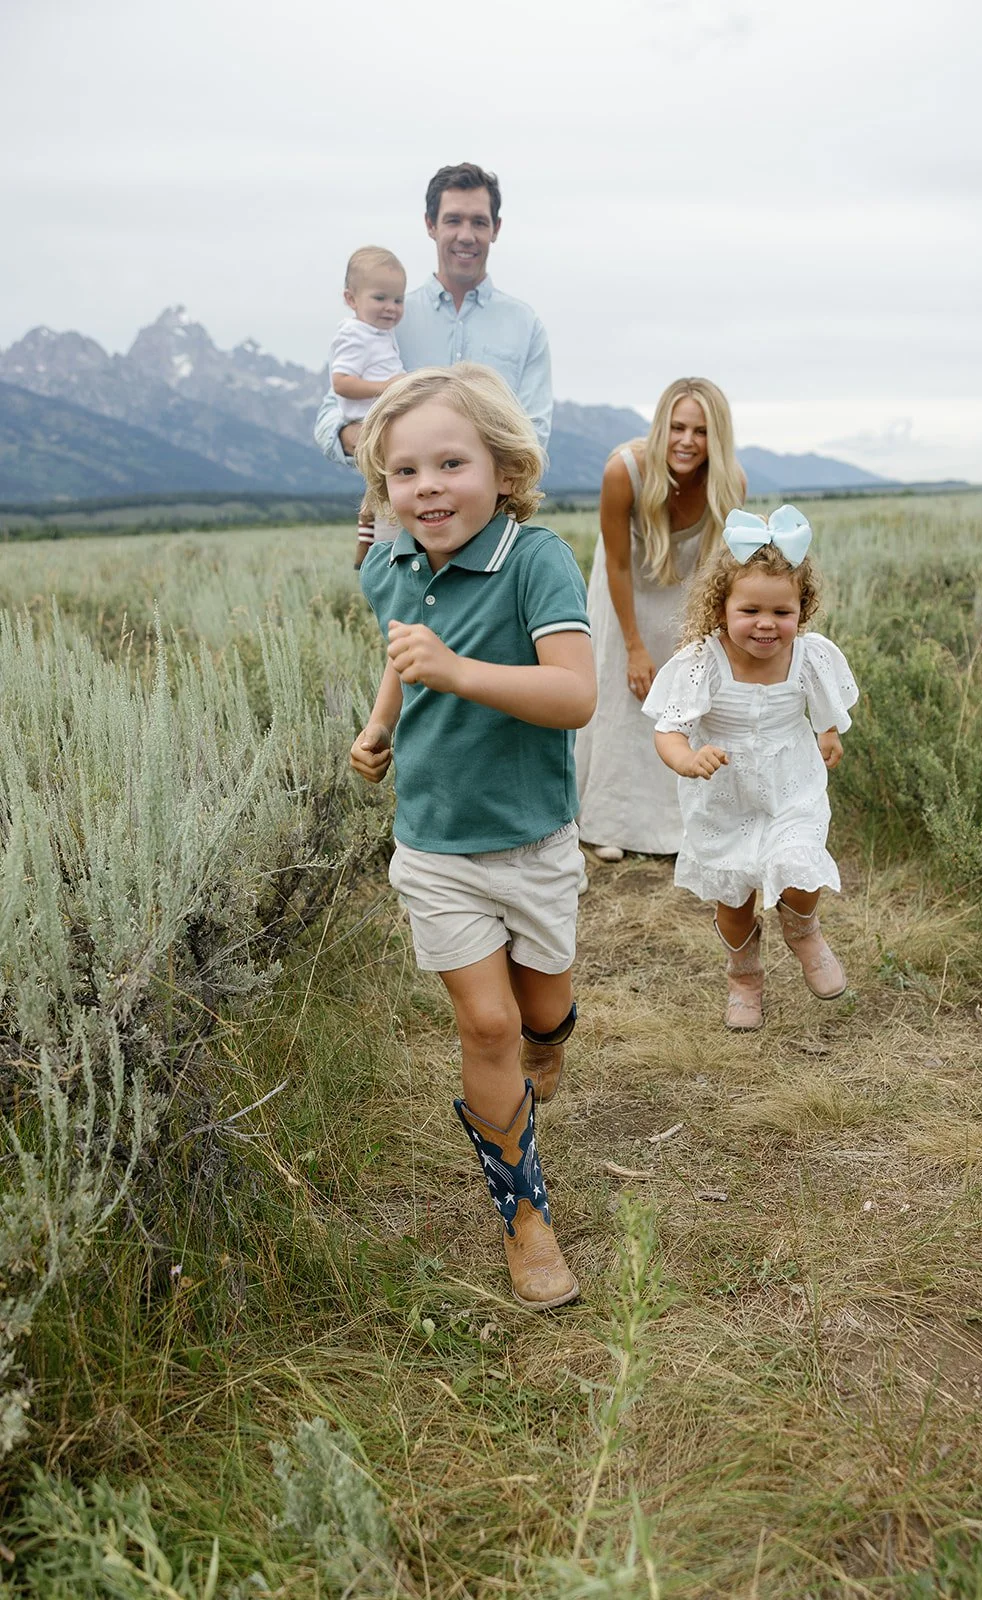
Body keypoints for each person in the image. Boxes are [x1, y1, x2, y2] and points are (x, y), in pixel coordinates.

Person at [348, 362, 595, 1310]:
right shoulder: (389, 561)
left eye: (450, 462)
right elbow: (405, 656)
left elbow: (572, 696)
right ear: (385, 487)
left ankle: (553, 1037)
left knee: (541, 1013)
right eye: (404, 472)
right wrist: (380, 725)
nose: (427, 487)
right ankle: (524, 1217)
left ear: (502, 465)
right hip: (436, 844)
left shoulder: (536, 560)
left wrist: (456, 671)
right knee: (484, 1024)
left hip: (532, 843)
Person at [644, 507, 859, 1031]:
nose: (766, 624)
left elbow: (825, 704)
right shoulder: (702, 660)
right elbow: (667, 730)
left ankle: (803, 929)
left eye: (782, 612)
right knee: (734, 896)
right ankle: (744, 975)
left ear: (802, 610)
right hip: (723, 795)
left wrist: (827, 733)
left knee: (801, 861)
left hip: (791, 784)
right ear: (721, 608)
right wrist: (688, 759)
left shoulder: (809, 656)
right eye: (751, 610)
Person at [575, 378, 746, 863]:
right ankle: (608, 822)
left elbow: (720, 568)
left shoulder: (731, 481)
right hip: (624, 591)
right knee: (621, 696)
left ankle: (674, 825)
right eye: (676, 427)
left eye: (700, 430)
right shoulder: (623, 472)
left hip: (686, 595)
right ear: (660, 428)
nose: (687, 441)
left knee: (681, 702)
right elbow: (617, 564)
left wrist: (696, 637)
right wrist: (633, 644)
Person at [314, 161, 552, 470]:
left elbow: (534, 433)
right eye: (453, 220)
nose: (466, 236)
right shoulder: (387, 318)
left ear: (496, 229)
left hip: (495, 511)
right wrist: (362, 438)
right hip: (403, 510)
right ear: (430, 225)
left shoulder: (525, 326)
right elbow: (330, 416)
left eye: (479, 222)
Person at [327, 246, 408, 556]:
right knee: (386, 483)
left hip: (383, 419)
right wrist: (385, 386)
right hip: (369, 423)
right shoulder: (354, 335)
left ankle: (367, 534)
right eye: (380, 298)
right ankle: (368, 540)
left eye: (398, 300)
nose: (391, 308)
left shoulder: (378, 333)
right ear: (351, 299)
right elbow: (341, 383)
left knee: (383, 482)